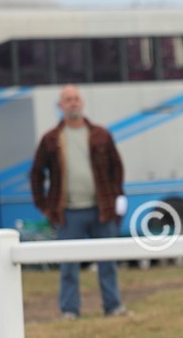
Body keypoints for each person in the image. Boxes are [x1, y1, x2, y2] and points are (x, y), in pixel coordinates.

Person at [30, 85, 128, 319]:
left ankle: (113, 306)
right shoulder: (51, 139)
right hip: (68, 213)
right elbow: (36, 174)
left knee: (107, 263)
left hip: (101, 210)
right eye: (67, 99)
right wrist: (44, 206)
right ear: (60, 106)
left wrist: (117, 199)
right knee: (69, 266)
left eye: (76, 98)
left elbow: (117, 169)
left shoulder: (101, 134)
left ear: (82, 103)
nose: (73, 102)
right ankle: (70, 310)